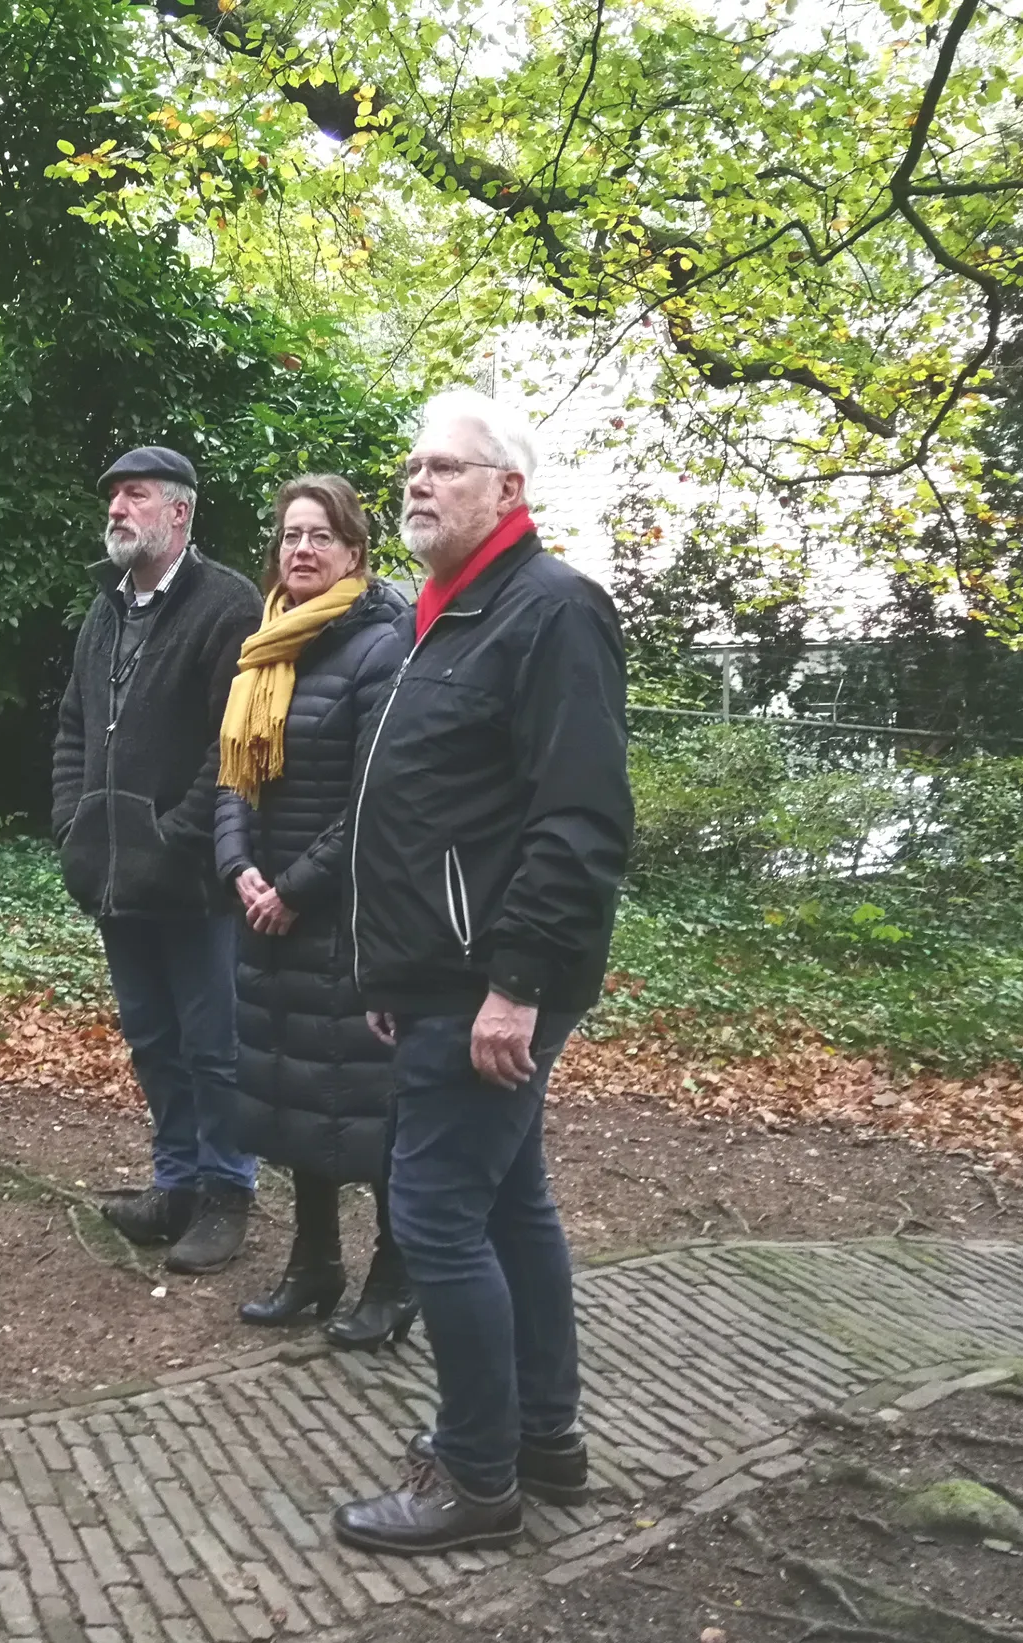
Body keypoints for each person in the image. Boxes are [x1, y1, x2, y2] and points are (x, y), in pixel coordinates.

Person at [331, 389, 634, 1557]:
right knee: (510, 1202)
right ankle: (544, 1437)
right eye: (410, 466)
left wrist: (517, 984)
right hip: (435, 974)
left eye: (446, 468)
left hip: (490, 987)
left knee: (436, 1214)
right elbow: (416, 814)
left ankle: (474, 1472)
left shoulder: (550, 612)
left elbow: (579, 822)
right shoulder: (437, 616)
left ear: (509, 491)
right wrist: (387, 964)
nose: (418, 484)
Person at [212, 475, 413, 1339]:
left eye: (320, 536)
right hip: (267, 912)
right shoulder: (267, 646)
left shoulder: (383, 645)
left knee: (369, 1105)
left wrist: (295, 887)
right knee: (293, 1099)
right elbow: (233, 775)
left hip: (344, 917)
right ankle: (314, 1262)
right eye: (291, 534)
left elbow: (378, 796)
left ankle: (396, 1275)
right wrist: (237, 869)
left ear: (354, 554)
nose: (301, 549)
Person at [53, 448, 263, 1274]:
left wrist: (174, 833)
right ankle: (175, 1183)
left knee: (215, 1043)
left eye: (134, 496)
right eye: (112, 497)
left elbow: (233, 741)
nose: (117, 509)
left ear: (179, 512)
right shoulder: (105, 611)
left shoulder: (228, 604)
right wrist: (73, 822)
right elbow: (73, 727)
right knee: (151, 1037)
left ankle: (225, 1191)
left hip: (192, 876)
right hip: (114, 876)